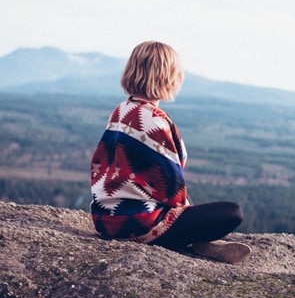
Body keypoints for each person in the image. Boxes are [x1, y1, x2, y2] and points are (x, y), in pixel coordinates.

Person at [89, 41, 250, 263]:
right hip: (139, 223)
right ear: (167, 76)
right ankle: (198, 243)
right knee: (232, 213)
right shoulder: (154, 119)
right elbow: (172, 189)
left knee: (196, 214)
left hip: (105, 218)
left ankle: (200, 243)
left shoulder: (121, 110)